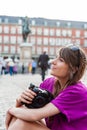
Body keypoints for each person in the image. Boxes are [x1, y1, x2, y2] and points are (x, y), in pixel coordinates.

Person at [5, 44, 87, 130]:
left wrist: (11, 110)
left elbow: (34, 115)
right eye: (55, 57)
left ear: (74, 69)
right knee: (20, 117)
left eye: (61, 60)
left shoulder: (77, 91)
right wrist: (20, 101)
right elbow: (26, 111)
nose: (52, 62)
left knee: (22, 123)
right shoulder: (48, 83)